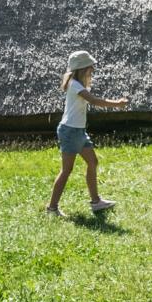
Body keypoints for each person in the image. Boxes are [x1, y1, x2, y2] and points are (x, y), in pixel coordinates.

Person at [45, 50, 129, 217]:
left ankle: (96, 201)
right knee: (66, 170)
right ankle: (52, 208)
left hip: (78, 131)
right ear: (82, 68)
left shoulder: (80, 84)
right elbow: (94, 101)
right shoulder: (74, 85)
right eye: (90, 66)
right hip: (70, 131)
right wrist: (117, 104)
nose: (93, 69)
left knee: (92, 162)